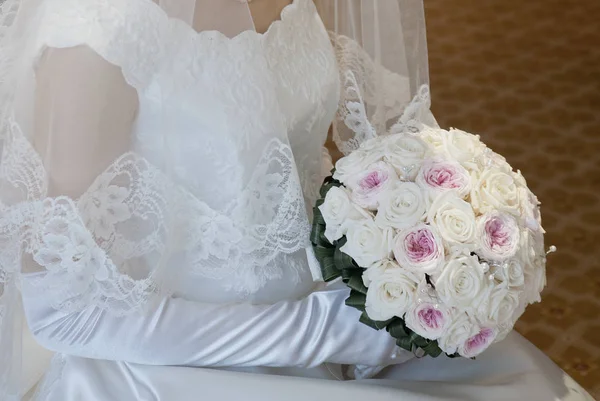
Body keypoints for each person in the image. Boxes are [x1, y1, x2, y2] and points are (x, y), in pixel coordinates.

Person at [0, 0, 594, 400]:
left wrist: (431, 253)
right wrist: (322, 331)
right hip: (170, 363)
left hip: (340, 317)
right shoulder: (99, 28)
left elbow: (336, 155)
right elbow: (68, 313)